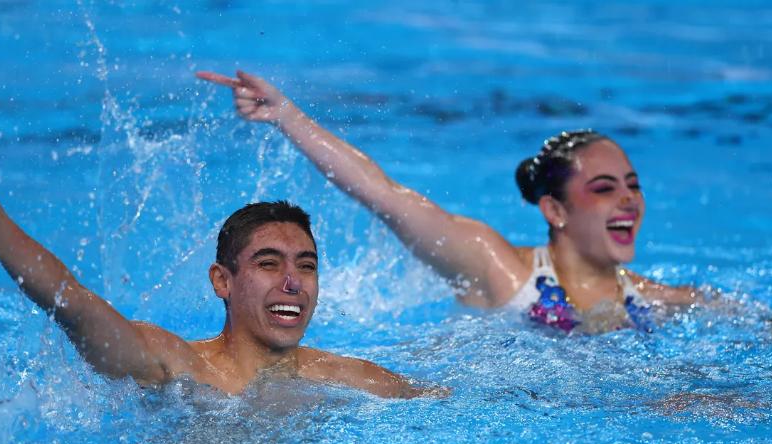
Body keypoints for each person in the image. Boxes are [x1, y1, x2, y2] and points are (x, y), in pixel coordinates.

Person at [0, 116, 443, 398]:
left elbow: (452, 403)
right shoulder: (175, 366)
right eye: (268, 263)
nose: (293, 282)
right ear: (222, 280)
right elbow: (72, 304)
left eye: (306, 266)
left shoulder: (347, 378)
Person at [197, 70, 702, 332]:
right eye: (605, 188)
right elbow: (383, 195)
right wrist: (287, 116)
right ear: (555, 210)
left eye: (633, 185)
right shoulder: (497, 267)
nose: (629, 200)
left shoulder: (651, 299)